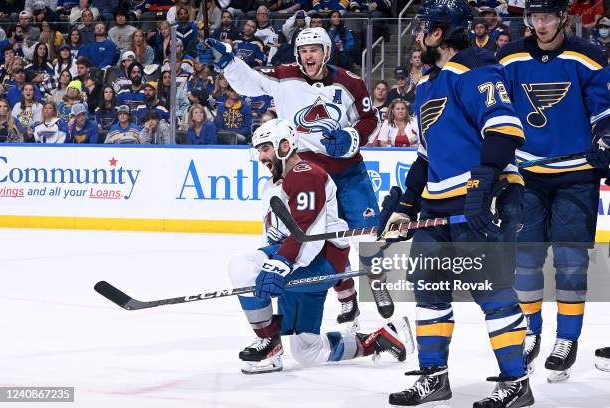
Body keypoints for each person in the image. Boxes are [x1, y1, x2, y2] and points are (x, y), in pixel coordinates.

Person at [384, 0, 533, 406]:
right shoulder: (428, 83)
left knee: (492, 292)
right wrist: (406, 206)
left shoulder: (477, 67)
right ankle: (434, 377)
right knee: (429, 292)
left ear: (438, 33)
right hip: (438, 208)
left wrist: (485, 184)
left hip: (478, 204)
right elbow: (427, 155)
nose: (416, 35)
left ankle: (516, 382)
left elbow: (503, 129)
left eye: (421, 28)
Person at [205, 27, 393, 325]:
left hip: (348, 172)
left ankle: (380, 286)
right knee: (325, 242)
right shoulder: (284, 76)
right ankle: (348, 297)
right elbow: (251, 82)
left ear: (326, 52)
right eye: (304, 50)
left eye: (315, 49)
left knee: (368, 236)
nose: (309, 55)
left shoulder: (351, 83)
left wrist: (350, 137)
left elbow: (370, 119)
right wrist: (228, 63)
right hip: (309, 176)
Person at [229, 118, 410, 374]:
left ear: (284, 146)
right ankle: (381, 338)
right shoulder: (274, 184)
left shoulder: (307, 175)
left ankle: (269, 342)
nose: (261, 156)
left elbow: (307, 235)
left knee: (241, 266)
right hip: (300, 262)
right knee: (307, 351)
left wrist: (279, 265)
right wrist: (271, 261)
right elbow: (271, 236)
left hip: (318, 263)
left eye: (265, 148)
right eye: (258, 150)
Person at [497, 0, 610, 383]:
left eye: (546, 17)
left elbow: (604, 109)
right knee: (525, 259)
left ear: (563, 18)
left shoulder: (589, 56)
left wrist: (606, 138)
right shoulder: (509, 57)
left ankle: (567, 338)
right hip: (527, 173)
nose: (540, 24)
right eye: (534, 18)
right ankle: (532, 330)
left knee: (571, 260)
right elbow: (498, 111)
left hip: (577, 173)